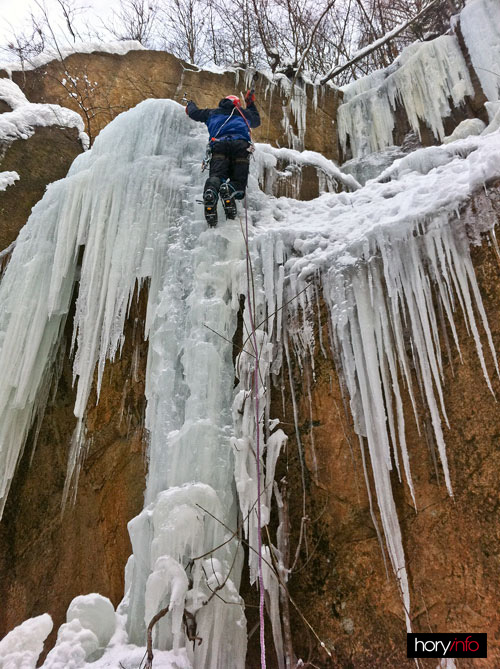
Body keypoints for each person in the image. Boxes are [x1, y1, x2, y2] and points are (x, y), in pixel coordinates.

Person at [186, 91, 261, 226]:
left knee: (217, 176)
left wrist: (190, 104)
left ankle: (211, 192)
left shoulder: (212, 113)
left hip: (219, 146)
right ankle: (230, 189)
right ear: (237, 105)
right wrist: (250, 103)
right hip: (240, 148)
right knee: (238, 183)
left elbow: (194, 113)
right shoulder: (244, 113)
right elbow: (256, 121)